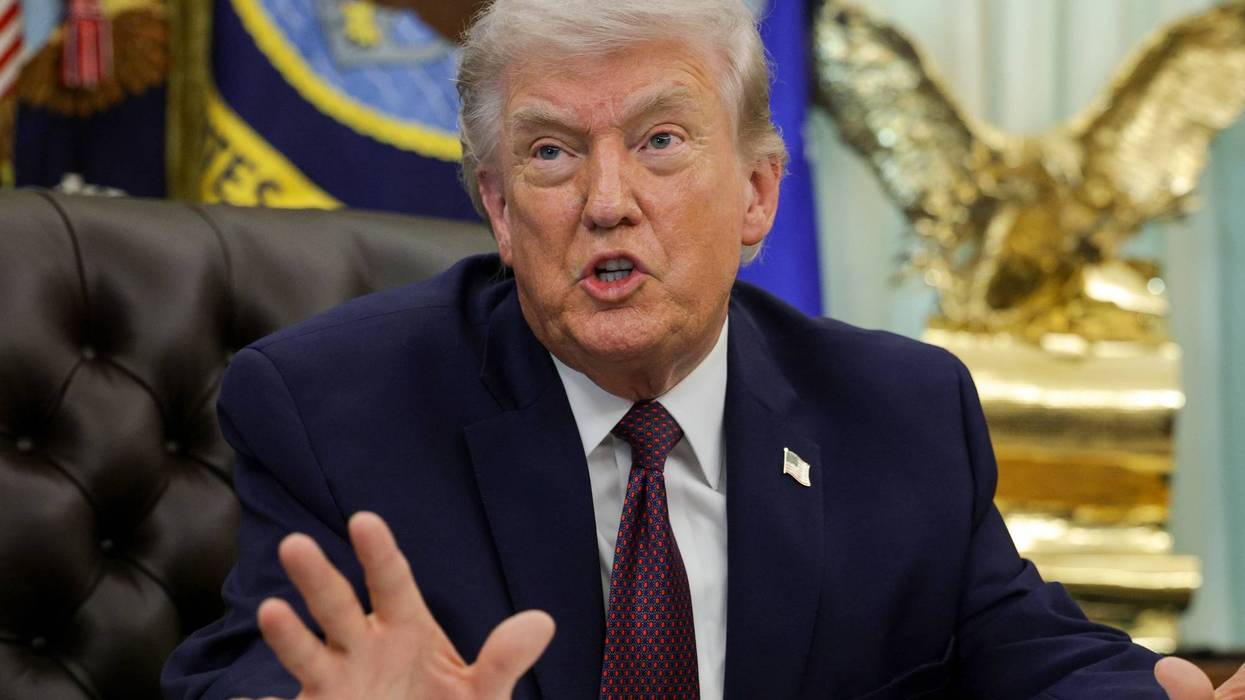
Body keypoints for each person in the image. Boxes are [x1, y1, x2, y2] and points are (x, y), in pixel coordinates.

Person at [162, 1, 1243, 698]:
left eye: (661, 142)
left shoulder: (899, 410)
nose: (607, 202)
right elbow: (238, 669)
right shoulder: (334, 406)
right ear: (497, 209)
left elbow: (1026, 655)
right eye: (550, 153)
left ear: (759, 195)